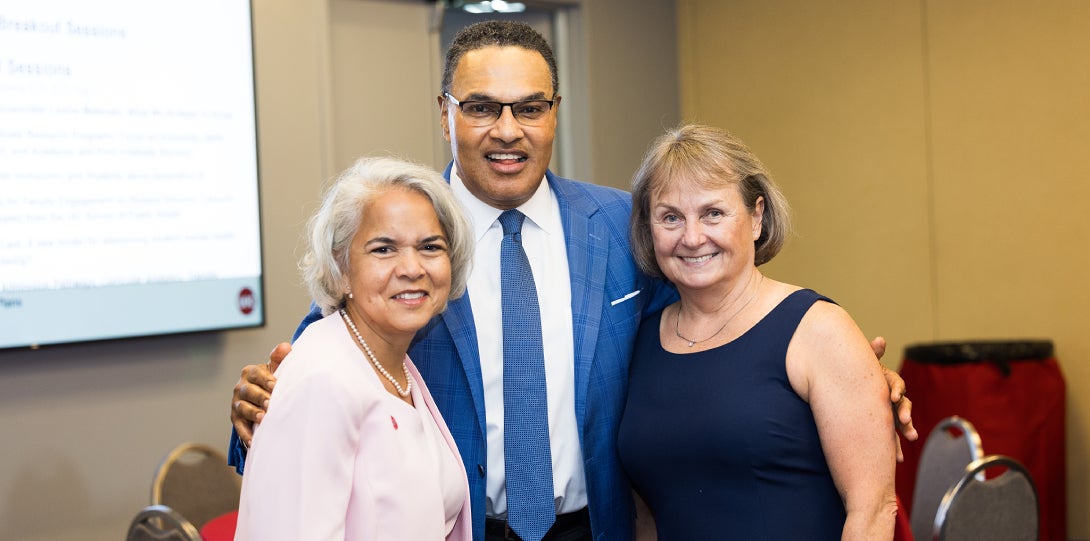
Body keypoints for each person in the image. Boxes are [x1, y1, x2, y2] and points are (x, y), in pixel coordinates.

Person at [228, 21, 916, 541]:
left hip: (599, 526)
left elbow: (718, 324)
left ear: (555, 111)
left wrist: (848, 381)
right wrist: (257, 406)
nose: (508, 130)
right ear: (444, 112)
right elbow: (321, 365)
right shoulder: (406, 241)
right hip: (462, 526)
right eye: (481, 107)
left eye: (530, 107)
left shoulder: (623, 227)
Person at [617, 124, 897, 539]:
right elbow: (646, 518)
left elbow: (873, 510)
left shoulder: (817, 329)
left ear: (756, 217)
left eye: (713, 213)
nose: (692, 238)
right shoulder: (639, 341)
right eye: (671, 217)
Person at [234, 156, 475, 540]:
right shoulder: (322, 376)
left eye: (430, 247)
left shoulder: (393, 363)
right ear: (341, 267)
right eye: (384, 249)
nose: (412, 268)